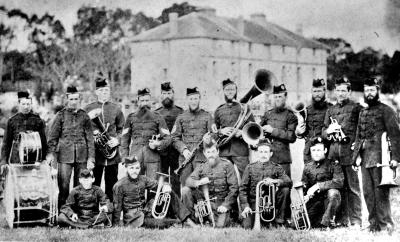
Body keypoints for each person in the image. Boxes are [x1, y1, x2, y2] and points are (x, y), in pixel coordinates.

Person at [352, 78, 400, 233]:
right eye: (367, 90)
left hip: (381, 159)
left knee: (381, 193)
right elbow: (359, 137)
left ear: (378, 90)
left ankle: (386, 226)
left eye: (372, 90)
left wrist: (395, 158)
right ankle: (373, 225)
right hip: (365, 159)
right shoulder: (363, 112)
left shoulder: (386, 110)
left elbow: (395, 136)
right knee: (367, 193)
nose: (369, 93)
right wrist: (355, 158)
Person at [322, 77, 362, 228]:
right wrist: (328, 131)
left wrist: (357, 150)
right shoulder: (330, 110)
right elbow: (323, 132)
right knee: (338, 188)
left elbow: (361, 130)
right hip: (333, 155)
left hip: (349, 154)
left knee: (353, 188)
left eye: (343, 90)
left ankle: (356, 220)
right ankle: (341, 219)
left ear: (349, 92)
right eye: (338, 90)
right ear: (334, 91)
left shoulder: (356, 108)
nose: (340, 93)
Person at [112, 156, 197, 228]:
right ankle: (177, 222)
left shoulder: (143, 179)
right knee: (163, 223)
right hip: (134, 218)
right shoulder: (119, 185)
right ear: (126, 168)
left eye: (137, 168)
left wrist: (166, 186)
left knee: (169, 193)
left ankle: (187, 219)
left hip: (145, 211)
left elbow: (157, 184)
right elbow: (117, 207)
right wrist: (116, 225)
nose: (135, 171)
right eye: (131, 168)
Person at [47, 86, 95, 207]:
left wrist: (91, 158)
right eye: (71, 99)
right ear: (67, 99)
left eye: (76, 99)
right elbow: (52, 138)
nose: (74, 101)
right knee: (63, 186)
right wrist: (51, 156)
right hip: (64, 157)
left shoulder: (84, 116)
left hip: (81, 156)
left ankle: (78, 213)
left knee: (80, 186)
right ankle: (63, 213)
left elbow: (90, 139)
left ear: (79, 99)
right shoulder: (60, 115)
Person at [182, 137, 239, 227]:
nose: (211, 155)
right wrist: (198, 182)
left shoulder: (227, 165)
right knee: (185, 190)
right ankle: (191, 221)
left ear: (218, 151)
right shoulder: (201, 166)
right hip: (205, 203)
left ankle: (209, 218)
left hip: (221, 204)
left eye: (213, 151)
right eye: (208, 152)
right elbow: (188, 181)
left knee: (220, 225)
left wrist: (225, 205)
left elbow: (234, 188)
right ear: (204, 153)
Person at [84, 75, 125, 201]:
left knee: (112, 183)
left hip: (112, 154)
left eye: (106, 90)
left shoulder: (116, 108)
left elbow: (122, 129)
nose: (104, 93)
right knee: (94, 183)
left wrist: (117, 139)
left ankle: (110, 209)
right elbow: (84, 129)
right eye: (101, 90)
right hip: (97, 153)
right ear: (96, 92)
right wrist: (94, 136)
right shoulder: (88, 108)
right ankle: (95, 209)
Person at [240, 139, 292, 229]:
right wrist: (246, 206)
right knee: (247, 226)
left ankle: (279, 221)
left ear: (270, 154)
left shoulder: (277, 168)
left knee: (285, 190)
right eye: (261, 152)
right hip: (254, 203)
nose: (263, 155)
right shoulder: (249, 168)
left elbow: (288, 181)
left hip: (271, 203)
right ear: (257, 153)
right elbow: (243, 189)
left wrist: (274, 181)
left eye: (266, 152)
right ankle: (260, 220)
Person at [120, 88, 170, 180]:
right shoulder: (130, 118)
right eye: (142, 101)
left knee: (153, 186)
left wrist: (158, 144)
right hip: (135, 157)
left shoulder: (158, 117)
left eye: (147, 100)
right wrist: (125, 157)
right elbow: (124, 139)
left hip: (153, 158)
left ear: (150, 101)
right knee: (135, 186)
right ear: (138, 102)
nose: (144, 103)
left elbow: (167, 138)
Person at [172, 87, 214, 186]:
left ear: (199, 99)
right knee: (185, 187)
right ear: (187, 100)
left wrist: (208, 140)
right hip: (185, 158)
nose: (193, 101)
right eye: (191, 99)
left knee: (201, 187)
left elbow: (214, 134)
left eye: (195, 98)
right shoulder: (181, 117)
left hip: (202, 158)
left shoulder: (207, 116)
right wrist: (183, 150)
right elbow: (174, 138)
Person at [300, 137, 343, 228]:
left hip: (329, 201)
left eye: (319, 150)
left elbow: (339, 182)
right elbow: (305, 185)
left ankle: (326, 223)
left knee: (333, 193)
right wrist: (305, 194)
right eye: (313, 150)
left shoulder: (334, 164)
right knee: (299, 223)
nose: (316, 153)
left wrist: (318, 186)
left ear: (325, 150)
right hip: (315, 201)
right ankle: (322, 221)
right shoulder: (307, 167)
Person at [213, 79, 254, 176]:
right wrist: (221, 131)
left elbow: (253, 129)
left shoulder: (244, 108)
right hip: (224, 152)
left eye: (232, 89)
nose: (230, 92)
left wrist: (242, 132)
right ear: (223, 91)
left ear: (236, 91)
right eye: (227, 90)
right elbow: (212, 132)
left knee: (246, 178)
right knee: (224, 180)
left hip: (241, 151)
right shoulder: (219, 110)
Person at [260, 84, 297, 178]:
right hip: (267, 158)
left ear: (285, 97)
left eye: (280, 96)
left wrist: (272, 131)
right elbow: (257, 131)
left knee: (284, 188)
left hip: (283, 159)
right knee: (266, 188)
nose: (277, 99)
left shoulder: (290, 115)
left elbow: (291, 137)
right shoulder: (267, 114)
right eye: (275, 96)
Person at [0, 91, 47, 166]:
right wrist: (4, 162)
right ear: (19, 104)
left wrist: (44, 159)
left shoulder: (38, 120)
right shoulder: (12, 121)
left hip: (34, 159)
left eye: (28, 104)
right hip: (16, 159)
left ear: (31, 104)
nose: (26, 107)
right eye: (23, 104)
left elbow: (43, 142)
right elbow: (6, 143)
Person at [154, 82, 183, 196]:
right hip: (162, 152)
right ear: (161, 95)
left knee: (176, 180)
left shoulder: (180, 111)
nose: (167, 95)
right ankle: (162, 208)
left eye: (169, 93)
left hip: (176, 152)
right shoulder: (156, 112)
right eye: (164, 93)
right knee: (162, 179)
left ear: (173, 94)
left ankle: (177, 210)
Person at [295, 79, 331, 163]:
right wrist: (298, 132)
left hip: (325, 151)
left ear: (324, 91)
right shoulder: (306, 110)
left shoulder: (331, 108)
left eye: (319, 91)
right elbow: (302, 133)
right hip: (309, 151)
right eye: (315, 91)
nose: (317, 94)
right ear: (311, 92)